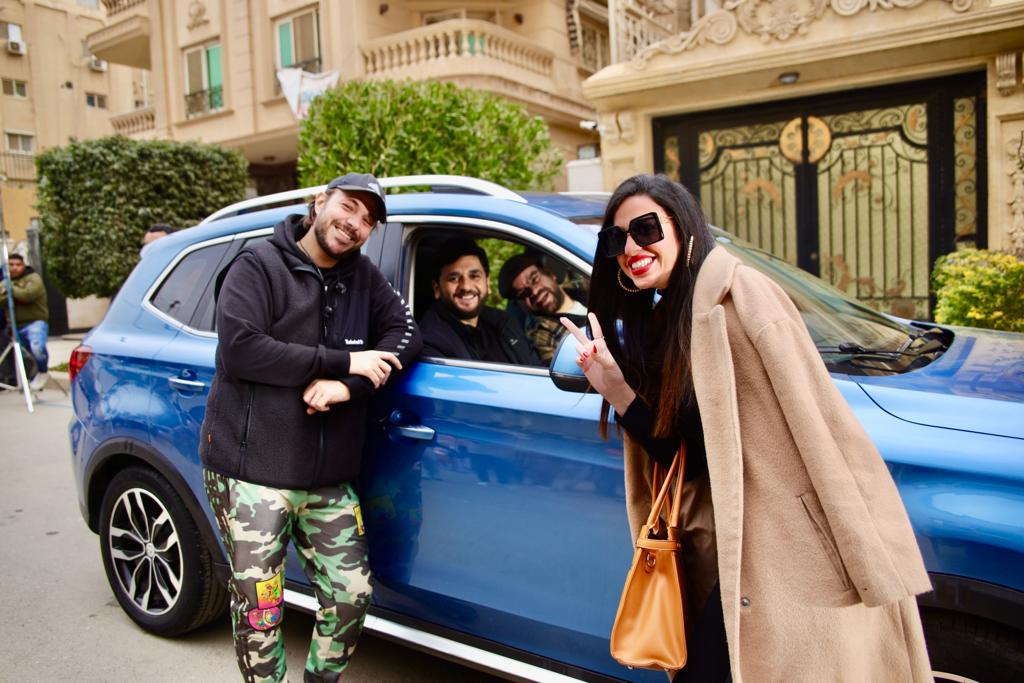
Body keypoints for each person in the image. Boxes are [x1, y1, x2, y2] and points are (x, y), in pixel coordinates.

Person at [562, 174, 932, 682]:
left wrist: (856, 545)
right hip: (726, 545)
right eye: (616, 239)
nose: (630, 249)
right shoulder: (666, 320)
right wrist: (617, 389)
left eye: (645, 229)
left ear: (682, 226)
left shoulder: (742, 295)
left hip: (785, 547)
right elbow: (686, 456)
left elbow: (818, 421)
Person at [200, 172, 422, 683]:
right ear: (320, 201)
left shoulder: (363, 277)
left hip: (327, 479)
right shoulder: (258, 264)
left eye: (368, 219)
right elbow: (242, 349)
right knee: (261, 608)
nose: (355, 223)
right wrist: (340, 362)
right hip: (253, 471)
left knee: (351, 595)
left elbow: (407, 334)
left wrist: (350, 386)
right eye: (348, 207)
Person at [419, 236, 539, 365]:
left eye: (474, 276)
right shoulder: (429, 341)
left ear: (487, 282)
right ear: (437, 288)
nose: (466, 287)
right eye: (453, 278)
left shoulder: (505, 322)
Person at [497, 251, 588, 363]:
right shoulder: (542, 337)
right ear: (521, 306)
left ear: (549, 273)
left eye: (534, 279)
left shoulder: (585, 282)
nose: (534, 291)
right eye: (523, 293)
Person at [1, 253, 49, 390]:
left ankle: (43, 372)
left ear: (24, 265)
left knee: (37, 348)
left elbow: (27, 295)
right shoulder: (5, 282)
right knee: (25, 357)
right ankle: (32, 380)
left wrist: (10, 289)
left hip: (35, 322)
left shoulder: (34, 278)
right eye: (11, 265)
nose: (14, 268)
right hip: (16, 326)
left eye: (18, 264)